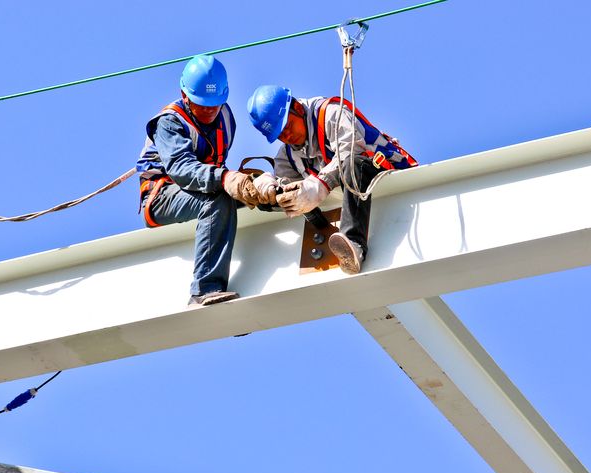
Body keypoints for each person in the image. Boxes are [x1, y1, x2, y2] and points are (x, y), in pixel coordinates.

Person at [246, 85, 418, 274]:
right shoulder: (287, 156)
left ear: (298, 108)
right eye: (279, 135)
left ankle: (354, 243)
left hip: (382, 172)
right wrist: (271, 189)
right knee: (275, 199)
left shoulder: (331, 114)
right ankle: (341, 243)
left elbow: (351, 149)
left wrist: (321, 183)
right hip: (353, 192)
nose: (286, 136)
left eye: (287, 126)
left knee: (353, 163)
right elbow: (287, 186)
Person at [136, 55, 262, 308]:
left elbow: (217, 167)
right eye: (202, 104)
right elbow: (181, 169)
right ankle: (205, 289)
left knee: (256, 191)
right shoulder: (169, 122)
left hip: (203, 190)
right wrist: (226, 178)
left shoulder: (226, 118)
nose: (209, 110)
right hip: (162, 197)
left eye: (214, 104)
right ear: (184, 95)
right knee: (218, 200)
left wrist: (250, 186)